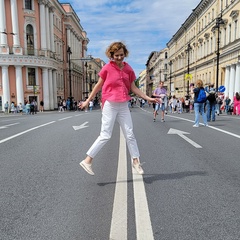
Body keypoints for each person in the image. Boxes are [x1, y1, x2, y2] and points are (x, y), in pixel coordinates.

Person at [79, 41, 159, 176]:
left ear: (125, 54)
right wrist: (88, 101)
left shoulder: (128, 69)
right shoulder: (107, 69)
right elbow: (98, 86)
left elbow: (133, 87)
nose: (119, 57)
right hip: (110, 103)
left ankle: (135, 161)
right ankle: (87, 160)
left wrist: (148, 98)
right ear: (111, 55)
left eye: (121, 55)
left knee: (130, 133)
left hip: (123, 104)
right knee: (105, 135)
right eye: (116, 55)